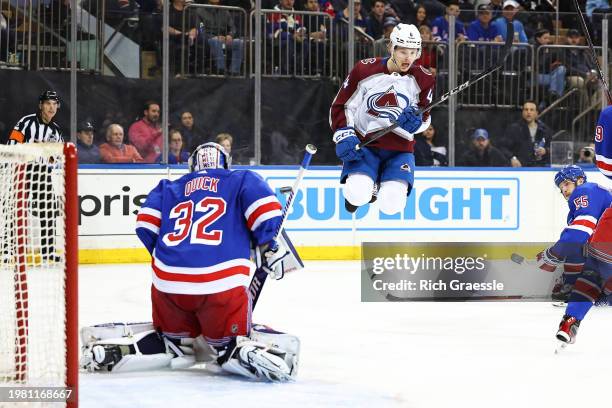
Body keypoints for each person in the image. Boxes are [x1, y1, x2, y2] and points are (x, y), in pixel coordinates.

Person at [79, 143, 299, 381]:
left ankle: (168, 343)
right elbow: (266, 214)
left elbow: (145, 226)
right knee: (225, 340)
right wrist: (264, 244)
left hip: (167, 287)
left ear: (192, 165)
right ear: (225, 163)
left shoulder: (168, 186)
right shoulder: (242, 178)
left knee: (174, 341)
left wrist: (176, 253)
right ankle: (235, 349)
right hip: (220, 285)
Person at [330, 23, 435, 215]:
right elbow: (343, 105)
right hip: (366, 145)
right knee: (356, 194)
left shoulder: (424, 79)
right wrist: (344, 134)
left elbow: (425, 117)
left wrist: (417, 123)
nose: (408, 58)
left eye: (413, 52)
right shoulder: (364, 70)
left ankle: (377, 184)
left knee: (392, 206)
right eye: (403, 51)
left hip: (400, 150)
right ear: (391, 47)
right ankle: (364, 187)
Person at [534, 166, 612, 347]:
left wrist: (553, 254)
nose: (564, 190)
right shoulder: (592, 197)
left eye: (567, 184)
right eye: (561, 187)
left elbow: (580, 231)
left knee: (576, 250)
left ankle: (571, 299)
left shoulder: (587, 190)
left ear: (580, 180)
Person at [4, 90, 64, 262]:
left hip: (43, 173)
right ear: (40, 105)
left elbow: (56, 159)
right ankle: (9, 250)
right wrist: (35, 148)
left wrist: (48, 153)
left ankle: (48, 251)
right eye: (47, 103)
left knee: (50, 210)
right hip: (21, 170)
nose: (51, 107)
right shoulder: (26, 122)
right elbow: (12, 144)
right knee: (15, 209)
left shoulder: (56, 130)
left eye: (54, 104)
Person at [499, 100, 552, 167]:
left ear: (536, 113)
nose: (528, 112)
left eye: (531, 110)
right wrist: (512, 158)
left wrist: (546, 151)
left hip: (540, 169)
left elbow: (553, 149)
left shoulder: (545, 130)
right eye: (526, 109)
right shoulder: (514, 129)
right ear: (522, 112)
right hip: (520, 168)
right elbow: (503, 147)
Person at [199, 0, 245, 76]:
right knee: (216, 41)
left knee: (239, 43)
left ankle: (234, 71)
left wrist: (230, 35)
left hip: (222, 39)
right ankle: (220, 69)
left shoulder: (225, 11)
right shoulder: (200, 10)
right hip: (206, 39)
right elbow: (200, 29)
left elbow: (233, 28)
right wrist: (213, 37)